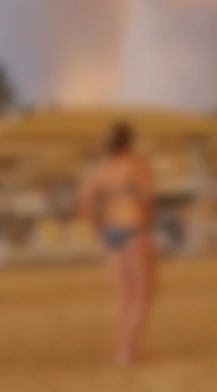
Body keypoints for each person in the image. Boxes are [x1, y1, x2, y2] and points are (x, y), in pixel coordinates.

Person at [79, 122, 156, 365]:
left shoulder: (103, 168)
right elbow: (148, 196)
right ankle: (131, 350)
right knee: (142, 293)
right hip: (134, 229)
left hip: (111, 229)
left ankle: (120, 350)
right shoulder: (135, 164)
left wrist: (99, 227)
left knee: (122, 295)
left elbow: (85, 200)